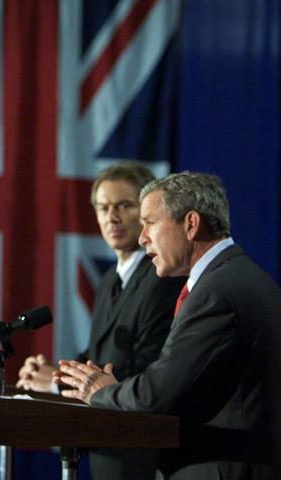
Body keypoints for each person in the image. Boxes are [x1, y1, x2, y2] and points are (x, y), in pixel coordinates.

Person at [55, 172, 281, 479]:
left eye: (150, 222)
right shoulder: (235, 275)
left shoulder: (218, 292)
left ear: (190, 224)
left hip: (221, 468)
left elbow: (157, 393)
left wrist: (100, 391)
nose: (142, 236)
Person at [17, 162, 185, 479]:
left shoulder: (162, 276)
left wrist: (60, 381)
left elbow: (148, 369)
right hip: (104, 442)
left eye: (124, 205)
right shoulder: (110, 279)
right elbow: (101, 353)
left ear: (148, 212)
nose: (112, 217)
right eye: (104, 208)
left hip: (140, 447)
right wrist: (51, 373)